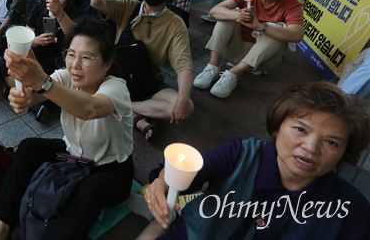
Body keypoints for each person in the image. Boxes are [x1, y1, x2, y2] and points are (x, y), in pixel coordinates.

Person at [139, 82, 370, 240]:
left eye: (331, 142)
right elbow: (183, 173)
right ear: (277, 127)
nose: (310, 148)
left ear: (345, 152)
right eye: (300, 129)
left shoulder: (350, 212)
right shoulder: (241, 155)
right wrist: (162, 183)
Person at [0, 16, 134, 240]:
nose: (75, 65)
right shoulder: (66, 77)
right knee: (28, 148)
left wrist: (42, 83)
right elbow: (33, 95)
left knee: (88, 191)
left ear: (107, 63)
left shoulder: (116, 88)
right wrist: (22, 92)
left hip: (110, 169)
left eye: (86, 57)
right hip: (72, 156)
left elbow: (90, 109)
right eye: (71, 55)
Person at [92, 0, 194, 140]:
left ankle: (123, 106)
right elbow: (97, 2)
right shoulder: (129, 6)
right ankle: (137, 115)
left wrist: (183, 99)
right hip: (117, 75)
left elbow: (183, 64)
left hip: (148, 79)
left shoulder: (175, 23)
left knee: (186, 105)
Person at [193, 0, 303, 98]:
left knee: (279, 28)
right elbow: (214, 11)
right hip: (234, 51)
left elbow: (297, 35)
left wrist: (260, 26)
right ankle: (212, 67)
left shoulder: (291, 4)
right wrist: (237, 15)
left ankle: (232, 74)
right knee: (227, 17)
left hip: (264, 61)